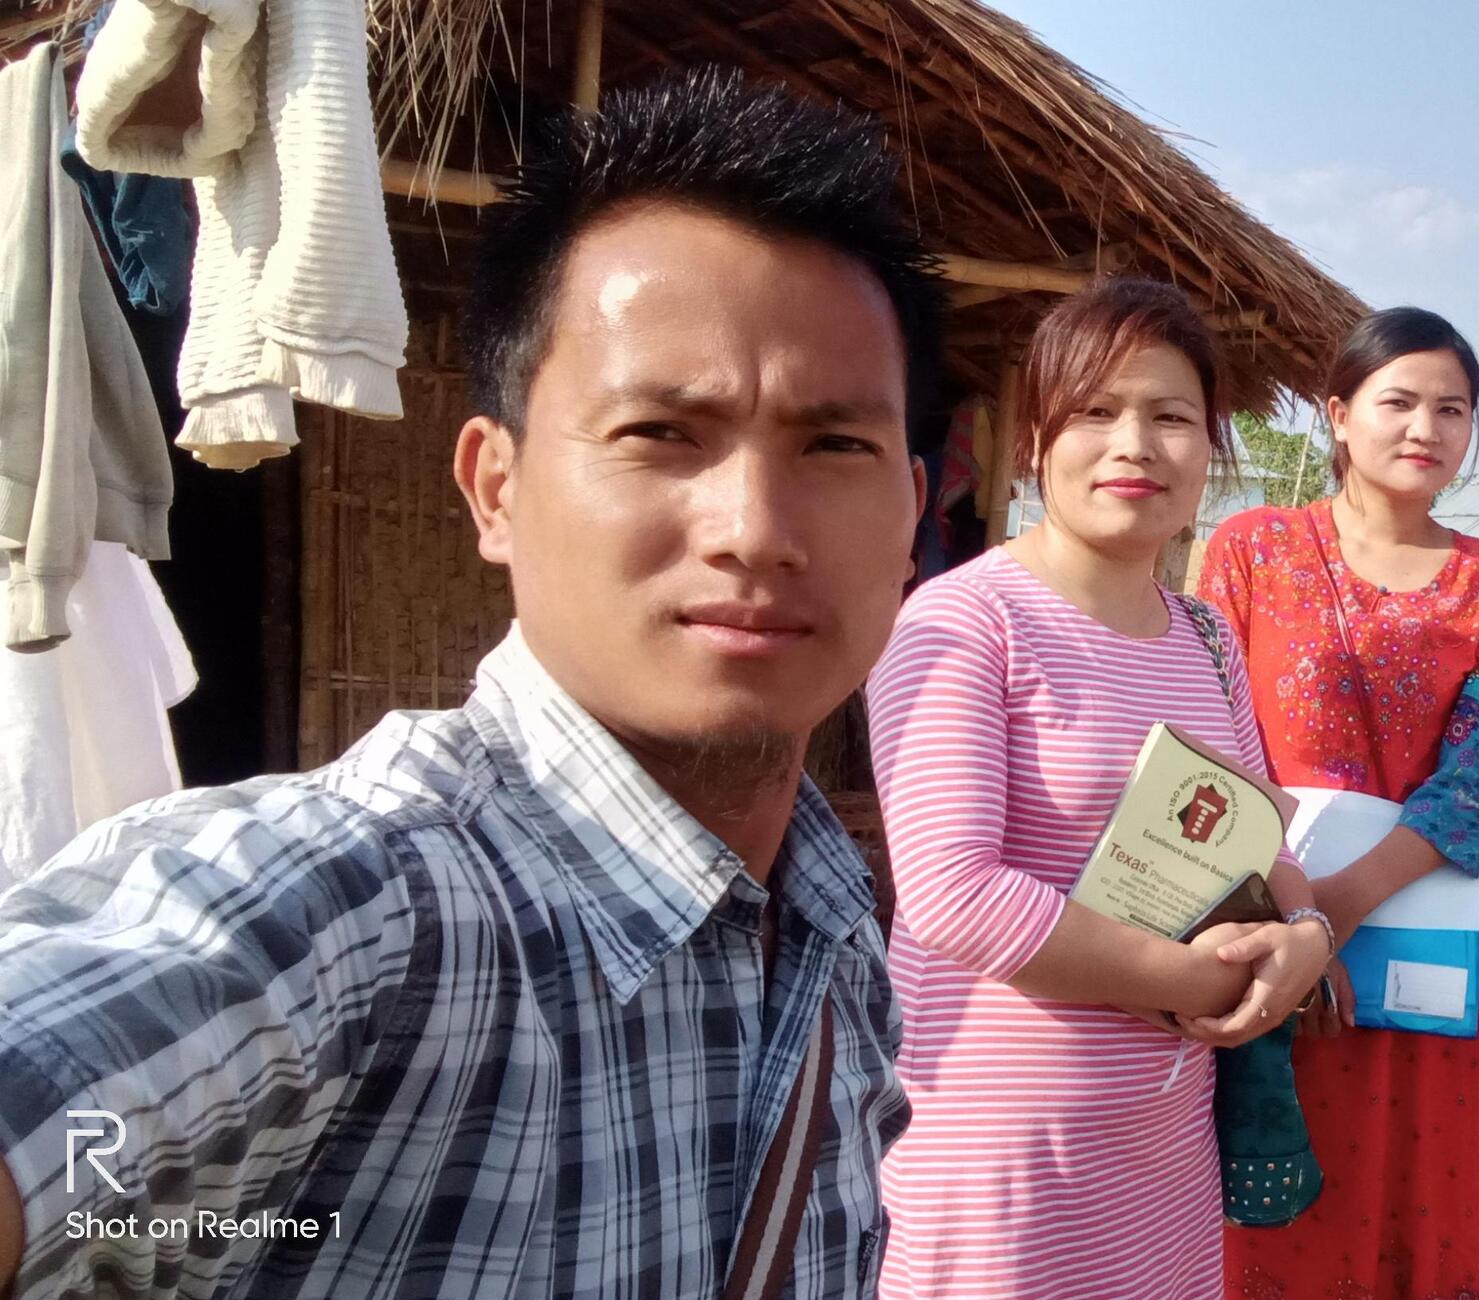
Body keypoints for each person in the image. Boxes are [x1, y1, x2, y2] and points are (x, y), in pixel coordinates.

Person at [0, 69, 936, 1299]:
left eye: (834, 444)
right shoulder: (369, 907)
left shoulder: (834, 930)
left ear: (912, 514)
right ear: (495, 488)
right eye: (660, 434)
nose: (754, 528)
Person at [863, 278, 1332, 1300]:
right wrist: (1205, 985)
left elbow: (1260, 839)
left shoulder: (1206, 638)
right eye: (1095, 411)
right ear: (1035, 440)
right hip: (1002, 1155)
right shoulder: (962, 621)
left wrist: (1305, 940)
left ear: (1210, 448)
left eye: (1170, 417)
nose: (1135, 444)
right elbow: (953, 895)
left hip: (1163, 1150)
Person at [1201, 306, 1479, 1300]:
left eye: (1452, 409)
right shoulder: (1251, 549)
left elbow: (1478, 781)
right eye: (1398, 402)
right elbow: (1216, 742)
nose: (1425, 428)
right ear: (1338, 414)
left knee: (1410, 1197)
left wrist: (1334, 914)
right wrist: (1290, 925)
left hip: (1419, 937)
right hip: (1259, 930)